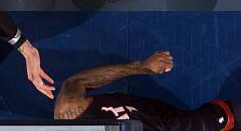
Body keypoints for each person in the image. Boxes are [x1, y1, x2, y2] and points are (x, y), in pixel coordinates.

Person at [54, 50, 239, 130]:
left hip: (147, 111)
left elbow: (77, 81)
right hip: (164, 125)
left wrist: (143, 67)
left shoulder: (69, 114)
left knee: (229, 115)